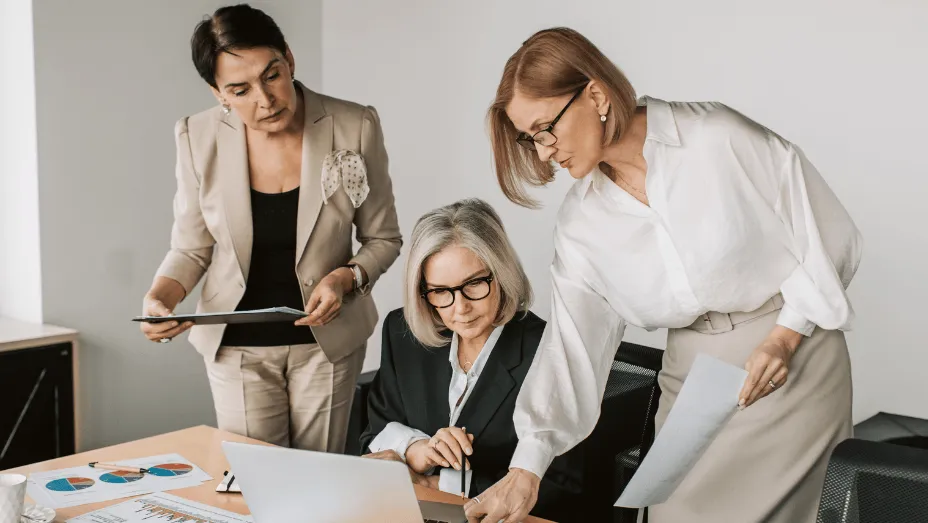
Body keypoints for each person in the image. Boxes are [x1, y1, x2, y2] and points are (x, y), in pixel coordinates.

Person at [465, 27, 862, 523]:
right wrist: (527, 467)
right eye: (531, 138)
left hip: (795, 361)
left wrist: (785, 338)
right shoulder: (581, 224)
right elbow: (572, 346)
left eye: (546, 128)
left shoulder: (718, 137)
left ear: (594, 94)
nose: (543, 151)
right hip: (696, 380)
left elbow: (830, 232)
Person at [138, 4, 402, 453]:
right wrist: (161, 297)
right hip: (236, 349)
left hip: (326, 342)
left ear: (289, 59)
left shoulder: (355, 125)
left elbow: (383, 239)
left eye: (272, 75)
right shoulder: (195, 136)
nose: (265, 99)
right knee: (256, 483)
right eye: (239, 90)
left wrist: (345, 277)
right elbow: (192, 247)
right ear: (218, 92)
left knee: (320, 483)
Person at [361, 199, 584, 523]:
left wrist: (439, 484)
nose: (460, 308)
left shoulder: (546, 350)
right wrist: (415, 449)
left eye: (474, 284)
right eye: (440, 291)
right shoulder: (402, 331)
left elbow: (562, 485)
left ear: (501, 272)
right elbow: (374, 432)